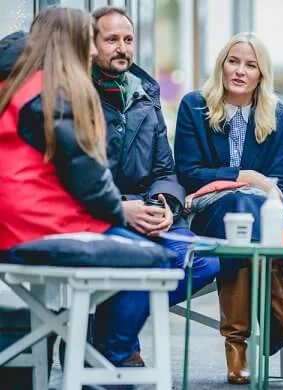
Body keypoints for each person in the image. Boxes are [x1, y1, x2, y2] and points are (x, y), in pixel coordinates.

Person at [0, 6, 154, 370]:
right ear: (70, 43)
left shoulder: (15, 84)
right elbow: (89, 179)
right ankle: (107, 365)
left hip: (14, 224)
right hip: (39, 228)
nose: (92, 52)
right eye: (88, 41)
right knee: (154, 259)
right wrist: (122, 213)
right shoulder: (57, 92)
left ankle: (94, 361)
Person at [174, 32, 283, 384]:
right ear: (221, 65)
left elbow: (278, 180)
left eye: (251, 64)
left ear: (262, 73)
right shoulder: (193, 106)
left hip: (256, 219)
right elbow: (188, 172)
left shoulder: (279, 115)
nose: (240, 71)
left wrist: (253, 184)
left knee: (245, 227)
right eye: (233, 61)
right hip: (207, 213)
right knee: (244, 210)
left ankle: (237, 348)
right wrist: (246, 176)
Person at [89, 6, 219, 366]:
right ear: (91, 45)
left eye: (128, 39)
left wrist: (164, 204)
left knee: (204, 259)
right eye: (112, 39)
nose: (122, 48)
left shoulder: (145, 93)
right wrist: (124, 208)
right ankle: (116, 351)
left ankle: (113, 335)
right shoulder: (77, 93)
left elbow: (165, 168)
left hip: (150, 212)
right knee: (143, 262)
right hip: (105, 215)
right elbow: (80, 176)